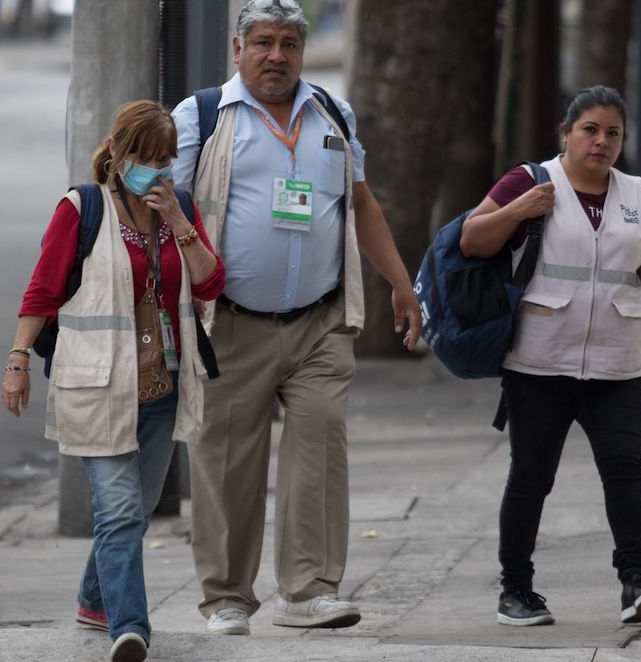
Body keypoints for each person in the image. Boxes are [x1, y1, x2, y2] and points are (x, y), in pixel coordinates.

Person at [169, 0, 421, 636]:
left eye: (288, 43)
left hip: (319, 322)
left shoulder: (331, 115)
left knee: (320, 452)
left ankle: (309, 591)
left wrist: (400, 283)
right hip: (228, 324)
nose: (276, 55)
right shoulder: (201, 116)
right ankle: (227, 596)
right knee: (226, 464)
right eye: (262, 43)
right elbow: (162, 210)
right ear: (238, 48)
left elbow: (361, 203)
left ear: (302, 51)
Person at [459, 86, 641, 627]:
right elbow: (472, 240)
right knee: (531, 476)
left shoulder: (638, 194)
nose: (601, 141)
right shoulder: (530, 181)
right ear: (566, 134)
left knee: (625, 470)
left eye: (613, 132)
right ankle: (515, 592)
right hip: (540, 360)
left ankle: (636, 582)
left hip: (616, 362)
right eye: (590, 129)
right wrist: (521, 209)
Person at [1, 100, 225, 661]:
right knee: (120, 510)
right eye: (147, 157)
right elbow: (42, 291)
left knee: (139, 507)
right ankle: (130, 629)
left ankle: (93, 601)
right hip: (98, 385)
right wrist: (17, 359)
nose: (158, 168)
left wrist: (178, 223)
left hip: (165, 387)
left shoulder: (182, 210)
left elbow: (211, 285)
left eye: (166, 157)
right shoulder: (83, 208)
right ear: (120, 154)